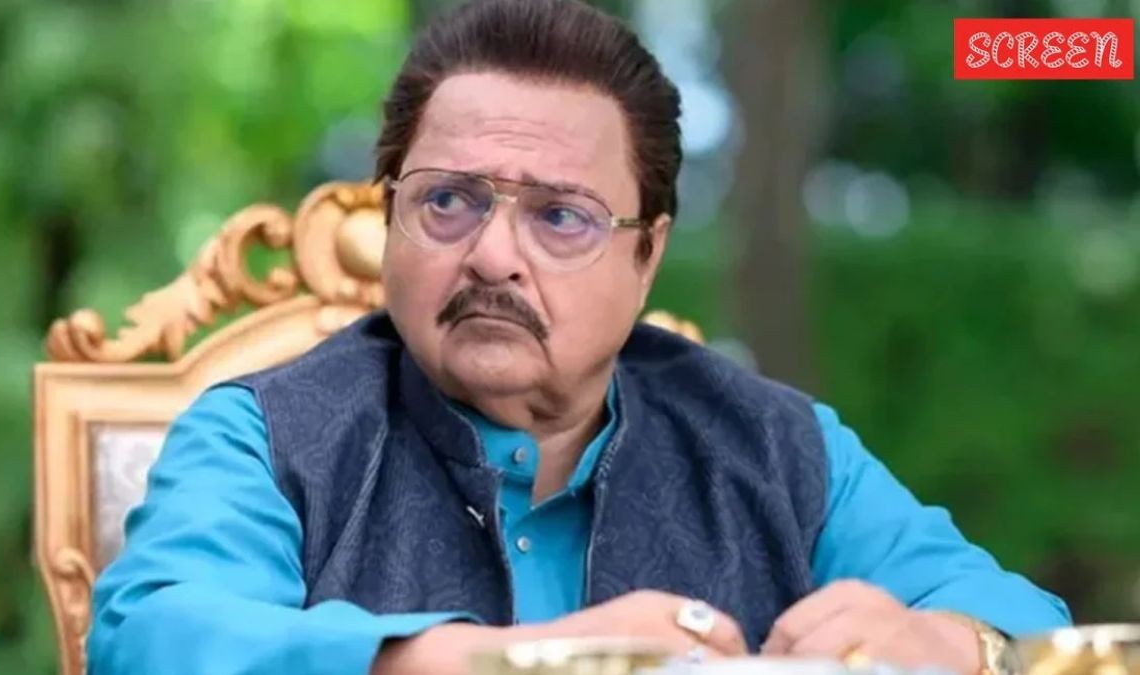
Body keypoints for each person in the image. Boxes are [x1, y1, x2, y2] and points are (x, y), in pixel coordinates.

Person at [86, 1, 1071, 673]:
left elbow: (1030, 624)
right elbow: (149, 638)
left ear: (646, 257)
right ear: (388, 220)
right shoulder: (263, 435)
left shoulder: (778, 448)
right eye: (448, 202)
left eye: (561, 217)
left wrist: (953, 645)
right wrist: (497, 663)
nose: (492, 256)